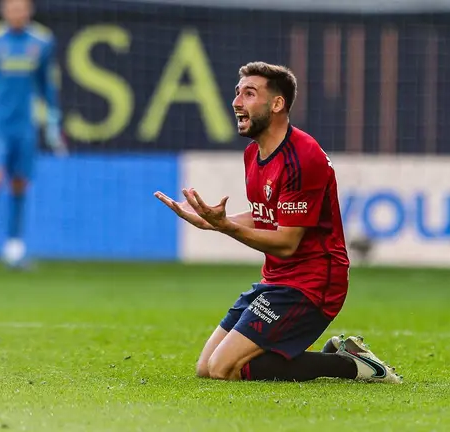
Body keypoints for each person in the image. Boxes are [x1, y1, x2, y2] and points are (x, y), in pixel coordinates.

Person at [154, 62, 402, 383]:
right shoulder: (253, 154)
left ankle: (350, 366)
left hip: (312, 284)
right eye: (237, 93)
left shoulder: (303, 157)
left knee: (223, 369)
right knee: (207, 368)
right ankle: (334, 356)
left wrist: (227, 227)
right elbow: (266, 216)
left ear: (277, 104)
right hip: (277, 281)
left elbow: (286, 243)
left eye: (249, 93)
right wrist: (215, 221)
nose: (236, 102)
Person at [0, 0, 67, 269]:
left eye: (22, 8)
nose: (17, 13)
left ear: (29, 11)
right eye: (12, 8)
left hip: (25, 126)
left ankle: (14, 247)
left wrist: (53, 118)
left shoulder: (42, 41)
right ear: (3, 10)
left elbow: (46, 83)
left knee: (19, 183)